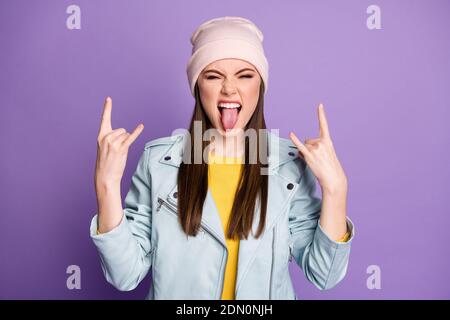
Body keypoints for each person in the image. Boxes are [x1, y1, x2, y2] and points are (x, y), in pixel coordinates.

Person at [90, 16, 355, 300]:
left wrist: (336, 189)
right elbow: (124, 275)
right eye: (214, 76)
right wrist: (106, 184)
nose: (229, 88)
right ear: (197, 87)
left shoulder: (287, 166)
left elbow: (324, 274)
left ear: (260, 86)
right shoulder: (159, 163)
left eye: (245, 75)